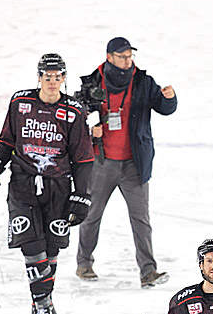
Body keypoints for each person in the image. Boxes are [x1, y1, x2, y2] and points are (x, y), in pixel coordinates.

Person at [0, 53, 95, 314]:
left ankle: (44, 304)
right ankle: (42, 305)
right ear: (39, 77)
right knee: (31, 244)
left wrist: (82, 195)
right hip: (23, 184)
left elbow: (83, 158)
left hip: (58, 188)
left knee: (51, 248)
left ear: (64, 78)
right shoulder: (20, 103)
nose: (52, 82)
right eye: (48, 76)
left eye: (58, 77)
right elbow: (7, 140)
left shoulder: (74, 111)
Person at [75, 36, 177, 288]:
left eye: (130, 55)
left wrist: (169, 98)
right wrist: (91, 132)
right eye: (122, 56)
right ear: (109, 57)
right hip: (102, 162)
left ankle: (148, 271)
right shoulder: (92, 82)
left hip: (135, 163)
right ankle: (84, 263)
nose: (127, 60)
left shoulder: (143, 81)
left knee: (141, 219)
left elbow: (164, 108)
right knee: (91, 214)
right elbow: (76, 118)